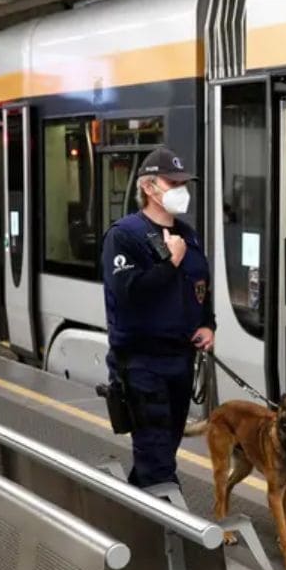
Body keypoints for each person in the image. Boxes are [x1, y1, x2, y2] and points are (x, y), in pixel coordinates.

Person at [101, 146, 215, 490]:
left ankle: (129, 511)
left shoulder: (187, 234)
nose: (182, 189)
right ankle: (172, 536)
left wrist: (208, 324)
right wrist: (170, 263)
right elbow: (129, 293)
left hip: (180, 360)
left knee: (163, 451)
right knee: (157, 460)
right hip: (141, 365)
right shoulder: (125, 235)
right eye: (174, 182)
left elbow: (200, 285)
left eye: (184, 182)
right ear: (149, 188)